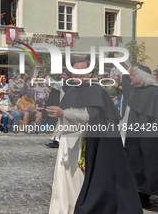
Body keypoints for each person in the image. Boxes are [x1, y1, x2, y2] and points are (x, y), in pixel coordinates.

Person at [47, 60, 142, 214]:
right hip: (68, 140)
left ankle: (78, 205)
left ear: (89, 73)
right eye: (73, 72)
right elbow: (64, 113)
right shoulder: (71, 91)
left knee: (79, 176)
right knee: (65, 175)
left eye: (80, 72)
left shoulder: (97, 91)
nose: (76, 75)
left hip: (85, 141)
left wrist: (64, 113)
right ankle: (64, 207)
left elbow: (91, 116)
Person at [120, 65, 158, 208]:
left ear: (141, 78)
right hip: (132, 135)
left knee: (148, 165)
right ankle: (136, 194)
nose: (130, 77)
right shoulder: (134, 89)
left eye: (133, 75)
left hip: (149, 137)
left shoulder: (154, 93)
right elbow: (125, 79)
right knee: (134, 162)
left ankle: (145, 195)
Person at [44, 70, 73, 148]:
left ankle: (57, 141)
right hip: (63, 106)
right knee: (61, 124)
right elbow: (53, 83)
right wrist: (49, 75)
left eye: (64, 75)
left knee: (63, 125)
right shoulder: (62, 84)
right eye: (62, 75)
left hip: (71, 107)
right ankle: (56, 140)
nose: (62, 76)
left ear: (69, 76)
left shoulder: (74, 85)